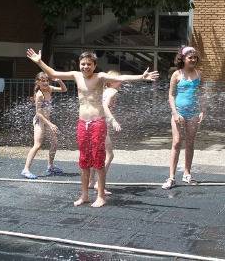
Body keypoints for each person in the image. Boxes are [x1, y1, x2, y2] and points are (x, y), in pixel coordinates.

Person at [27, 49, 159, 207]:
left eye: (89, 64)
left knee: (98, 159)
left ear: (94, 65)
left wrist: (141, 77)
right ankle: (84, 195)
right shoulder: (76, 75)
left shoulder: (100, 77)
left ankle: (101, 196)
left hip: (97, 122)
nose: (85, 67)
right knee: (83, 160)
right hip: (83, 123)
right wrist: (38, 62)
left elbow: (121, 77)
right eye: (83, 64)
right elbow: (54, 73)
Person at [162, 46, 205, 189]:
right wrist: (174, 113)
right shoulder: (177, 74)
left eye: (195, 57)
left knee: (190, 143)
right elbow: (171, 94)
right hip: (179, 112)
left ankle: (187, 174)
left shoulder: (199, 74)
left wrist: (202, 110)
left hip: (193, 113)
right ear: (183, 59)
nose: (193, 60)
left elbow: (202, 94)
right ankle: (171, 177)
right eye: (190, 57)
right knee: (176, 142)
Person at [21, 72, 67, 179]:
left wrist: (59, 80)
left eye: (47, 80)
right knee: (37, 145)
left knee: (55, 143)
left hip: (47, 121)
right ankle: (26, 169)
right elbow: (38, 113)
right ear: (38, 82)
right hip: (40, 122)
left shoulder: (49, 89)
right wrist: (50, 124)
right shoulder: (39, 95)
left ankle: (50, 166)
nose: (45, 82)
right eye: (43, 81)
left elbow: (64, 89)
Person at [88, 71, 122, 194]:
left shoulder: (103, 90)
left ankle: (91, 181)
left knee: (95, 153)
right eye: (118, 79)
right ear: (111, 81)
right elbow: (105, 106)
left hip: (92, 122)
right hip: (101, 124)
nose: (121, 81)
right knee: (109, 155)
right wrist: (113, 121)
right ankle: (98, 183)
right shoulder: (113, 91)